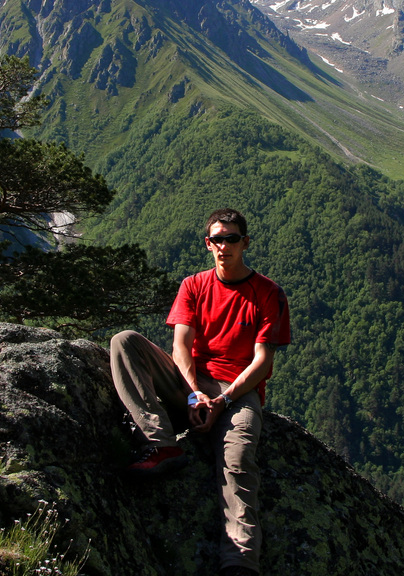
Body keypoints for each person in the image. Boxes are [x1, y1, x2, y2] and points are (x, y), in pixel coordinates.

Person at [110, 207, 291, 576]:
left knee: (238, 461)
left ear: (245, 242)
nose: (223, 246)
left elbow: (261, 361)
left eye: (231, 238)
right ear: (208, 244)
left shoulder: (268, 293)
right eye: (216, 239)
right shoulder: (194, 285)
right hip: (190, 384)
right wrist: (194, 395)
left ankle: (239, 561)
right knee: (125, 342)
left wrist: (223, 400)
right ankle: (162, 444)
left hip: (237, 392)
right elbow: (181, 346)